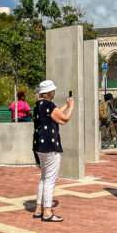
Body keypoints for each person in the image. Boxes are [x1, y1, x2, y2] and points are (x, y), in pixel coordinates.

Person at [32, 79, 74, 222]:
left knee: (44, 178)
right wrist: (71, 107)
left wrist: (65, 105)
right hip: (50, 146)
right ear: (49, 92)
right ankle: (48, 211)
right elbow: (64, 119)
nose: (54, 92)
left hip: (40, 145)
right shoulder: (49, 105)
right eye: (53, 90)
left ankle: (39, 208)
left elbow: (53, 115)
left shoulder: (38, 105)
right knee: (50, 179)